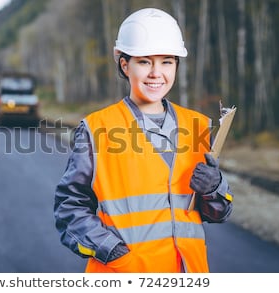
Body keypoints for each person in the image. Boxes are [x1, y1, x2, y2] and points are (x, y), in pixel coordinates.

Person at [54, 7, 234, 273]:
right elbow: (70, 207)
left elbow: (216, 213)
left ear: (176, 65)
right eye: (144, 61)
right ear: (124, 65)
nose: (156, 73)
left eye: (166, 61)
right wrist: (111, 250)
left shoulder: (197, 126)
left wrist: (214, 188)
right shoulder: (97, 128)